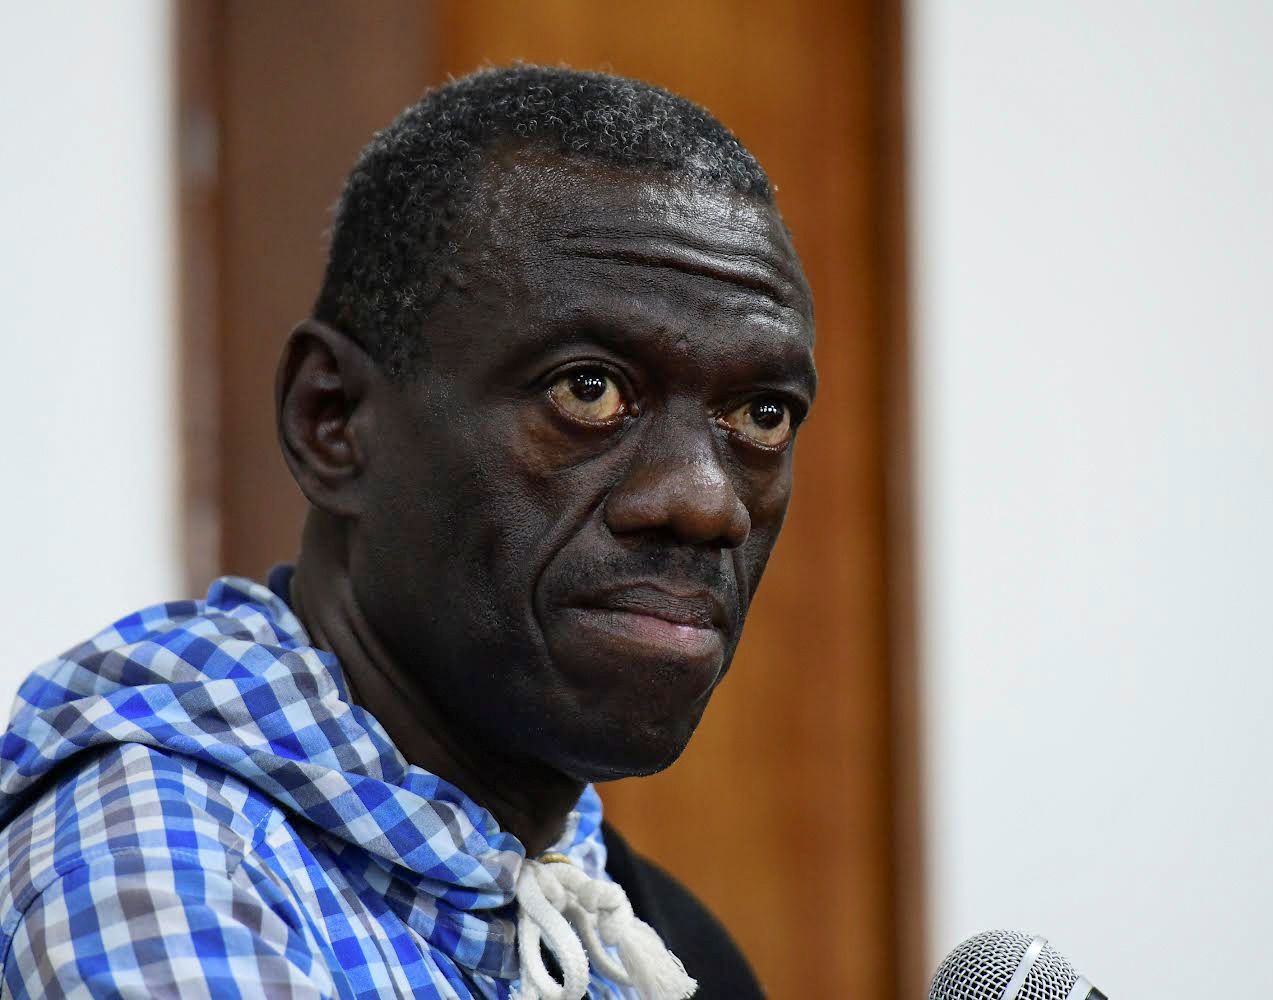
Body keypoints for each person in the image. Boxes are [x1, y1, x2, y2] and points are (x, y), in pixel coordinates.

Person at [0, 64, 815, 999]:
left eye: (761, 415)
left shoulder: (652, 942)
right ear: (333, 419)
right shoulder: (162, 866)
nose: (708, 503)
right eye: (587, 389)